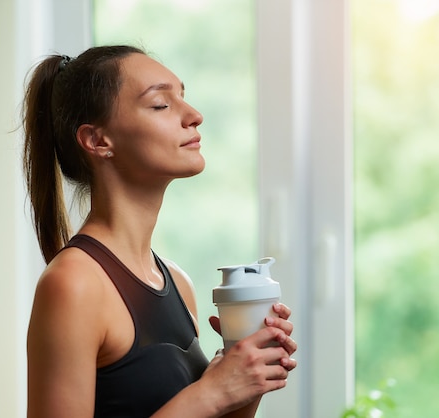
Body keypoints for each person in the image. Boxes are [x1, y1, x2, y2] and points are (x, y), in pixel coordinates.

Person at [22, 45, 297, 418]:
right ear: (98, 140)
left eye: (183, 97)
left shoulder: (178, 282)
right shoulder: (74, 283)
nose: (194, 116)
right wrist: (210, 393)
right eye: (160, 105)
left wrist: (245, 379)